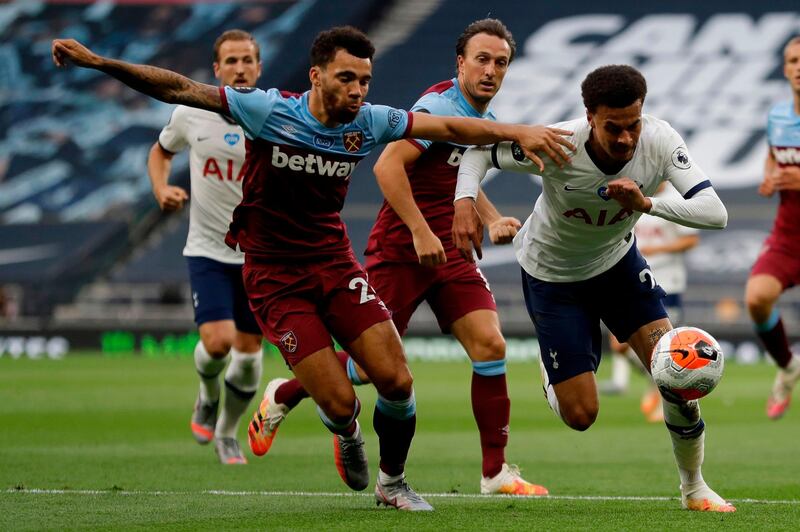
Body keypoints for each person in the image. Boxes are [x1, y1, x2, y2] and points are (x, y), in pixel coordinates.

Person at [52, 26, 572, 512]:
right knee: (344, 402)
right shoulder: (266, 111)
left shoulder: (370, 122)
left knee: (396, 379)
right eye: (346, 78)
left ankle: (393, 484)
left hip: (334, 263)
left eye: (365, 80)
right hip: (275, 278)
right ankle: (344, 430)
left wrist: (518, 131)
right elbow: (180, 89)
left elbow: (453, 128)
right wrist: (98, 62)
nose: (358, 91)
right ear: (316, 76)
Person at [251, 18, 548, 497]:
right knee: (371, 371)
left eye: (501, 62)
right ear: (460, 63)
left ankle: (495, 473)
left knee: (491, 346)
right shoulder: (438, 106)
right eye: (482, 59)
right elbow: (388, 165)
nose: (491, 70)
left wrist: (489, 218)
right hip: (402, 250)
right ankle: (286, 391)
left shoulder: (483, 119)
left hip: (449, 251)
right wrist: (420, 229)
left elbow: (459, 180)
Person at [452, 64, 735, 512]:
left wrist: (648, 204)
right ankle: (554, 366)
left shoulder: (660, 140)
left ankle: (694, 487)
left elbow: (715, 211)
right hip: (552, 276)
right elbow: (478, 153)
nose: (626, 138)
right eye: (612, 128)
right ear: (589, 117)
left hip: (617, 265)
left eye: (633, 125)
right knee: (581, 416)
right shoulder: (557, 144)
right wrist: (465, 201)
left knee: (674, 375)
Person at [147, 30, 265, 465]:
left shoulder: (275, 115)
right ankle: (206, 394)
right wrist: (161, 188)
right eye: (230, 61)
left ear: (259, 67)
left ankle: (227, 432)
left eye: (246, 61)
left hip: (259, 255)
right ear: (217, 69)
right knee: (218, 343)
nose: (239, 68)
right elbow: (160, 152)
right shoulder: (190, 114)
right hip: (208, 250)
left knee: (250, 359)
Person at [601, 181, 700, 424]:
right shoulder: (633, 197)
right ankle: (657, 382)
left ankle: (667, 399)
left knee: (664, 347)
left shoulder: (675, 201)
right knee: (619, 345)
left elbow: (691, 240)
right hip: (634, 280)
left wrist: (659, 249)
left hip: (668, 282)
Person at [744, 35, 800, 420]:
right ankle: (788, 366)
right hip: (789, 234)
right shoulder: (778, 116)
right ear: (785, 69)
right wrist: (769, 178)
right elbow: (772, 158)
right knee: (756, 298)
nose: (799, 67)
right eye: (794, 60)